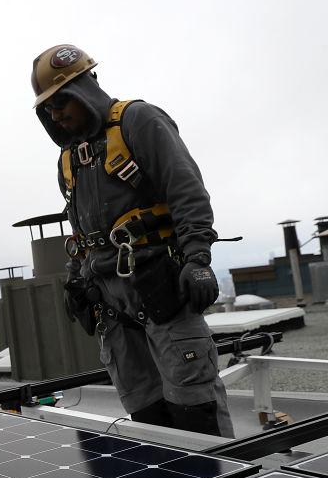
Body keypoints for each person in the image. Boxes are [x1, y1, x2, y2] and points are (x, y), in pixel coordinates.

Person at [30, 44, 233, 438]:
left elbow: (187, 192)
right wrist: (77, 279)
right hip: (112, 308)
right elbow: (81, 230)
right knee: (150, 422)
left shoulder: (138, 121)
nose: (56, 115)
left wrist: (197, 258)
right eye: (48, 110)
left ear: (83, 90)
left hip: (163, 294)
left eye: (61, 103)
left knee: (197, 417)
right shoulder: (69, 159)